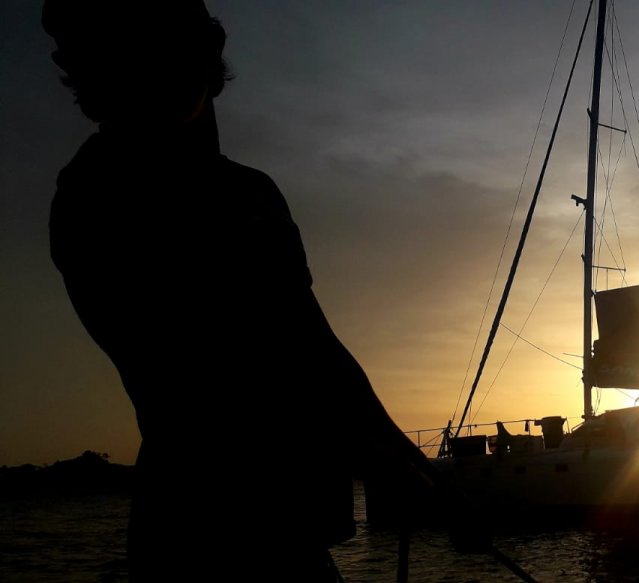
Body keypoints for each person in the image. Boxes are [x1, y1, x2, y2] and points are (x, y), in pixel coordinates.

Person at [42, 1, 431, 580]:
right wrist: (400, 466)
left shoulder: (238, 195)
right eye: (123, 57)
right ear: (95, 78)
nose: (149, 72)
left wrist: (405, 465)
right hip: (224, 538)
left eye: (165, 51)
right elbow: (283, 359)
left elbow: (312, 352)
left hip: (247, 534)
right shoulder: (128, 196)